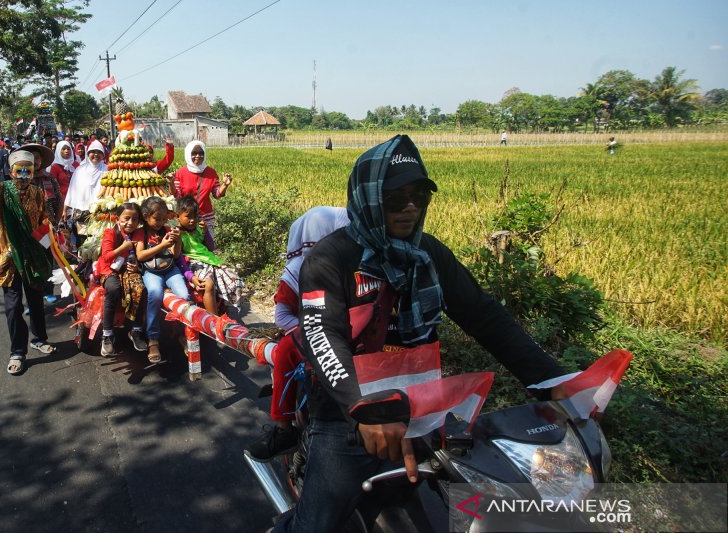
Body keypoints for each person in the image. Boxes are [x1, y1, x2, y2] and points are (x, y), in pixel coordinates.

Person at [273, 135, 568, 532]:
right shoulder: (333, 257)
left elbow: (484, 316)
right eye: (396, 197)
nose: (410, 207)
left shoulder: (428, 254)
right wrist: (365, 410)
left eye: (419, 196)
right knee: (317, 525)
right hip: (349, 416)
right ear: (369, 198)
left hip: (419, 411)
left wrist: (552, 379)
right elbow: (323, 337)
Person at [246, 206, 349, 462]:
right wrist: (315, 332)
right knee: (286, 351)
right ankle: (284, 428)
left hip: (349, 331)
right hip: (313, 332)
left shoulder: (352, 262)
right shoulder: (297, 270)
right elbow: (282, 317)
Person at [0, 150, 57, 376]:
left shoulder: (38, 193)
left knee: (36, 300)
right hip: (9, 258)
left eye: (29, 170)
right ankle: (17, 352)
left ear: (34, 172)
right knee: (13, 306)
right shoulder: (0, 192)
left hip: (33, 257)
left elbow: (43, 220)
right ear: (10, 172)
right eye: (20, 170)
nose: (24, 175)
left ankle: (39, 339)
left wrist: (51, 244)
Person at [134, 196, 191, 363]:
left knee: (184, 296)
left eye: (163, 219)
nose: (160, 222)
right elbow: (140, 255)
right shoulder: (140, 233)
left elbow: (175, 254)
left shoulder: (167, 230)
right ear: (145, 216)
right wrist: (161, 246)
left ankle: (181, 332)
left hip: (169, 269)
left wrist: (177, 240)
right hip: (151, 271)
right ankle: (153, 339)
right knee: (155, 294)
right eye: (156, 219)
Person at [175, 194, 244, 315]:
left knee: (233, 280)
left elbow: (211, 248)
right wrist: (191, 276)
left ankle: (222, 310)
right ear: (178, 217)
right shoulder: (177, 234)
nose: (192, 220)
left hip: (210, 261)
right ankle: (214, 321)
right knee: (208, 284)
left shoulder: (199, 229)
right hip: (193, 263)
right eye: (188, 217)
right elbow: (179, 259)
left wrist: (206, 232)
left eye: (195, 216)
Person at [95, 202, 148, 356]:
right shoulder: (110, 233)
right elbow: (106, 257)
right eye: (126, 218)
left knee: (141, 289)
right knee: (113, 289)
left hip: (129, 271)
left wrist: (137, 267)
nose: (130, 223)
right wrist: (123, 248)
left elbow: (141, 255)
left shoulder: (138, 234)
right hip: (109, 269)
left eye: (135, 219)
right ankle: (107, 334)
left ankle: (136, 330)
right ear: (118, 219)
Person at [172, 140, 232, 247]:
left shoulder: (211, 172)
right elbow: (177, 197)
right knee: (187, 248)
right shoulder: (180, 173)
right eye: (194, 153)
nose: (198, 156)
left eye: (201, 153)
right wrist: (171, 183)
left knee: (207, 247)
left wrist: (225, 185)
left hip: (205, 219)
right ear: (188, 154)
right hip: (186, 218)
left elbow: (217, 194)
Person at [62, 141, 107, 247]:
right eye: (93, 152)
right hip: (81, 214)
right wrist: (65, 209)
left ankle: (96, 264)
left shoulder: (108, 170)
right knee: (82, 242)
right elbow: (71, 191)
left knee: (99, 242)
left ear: (103, 154)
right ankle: (83, 262)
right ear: (88, 154)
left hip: (101, 214)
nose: (96, 154)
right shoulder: (80, 170)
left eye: (99, 152)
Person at [19, 143, 60, 226]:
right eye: (30, 158)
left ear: (41, 159)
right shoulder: (20, 180)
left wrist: (56, 223)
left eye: (37, 158)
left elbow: (59, 202)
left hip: (47, 225)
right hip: (26, 226)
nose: (34, 161)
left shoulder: (50, 178)